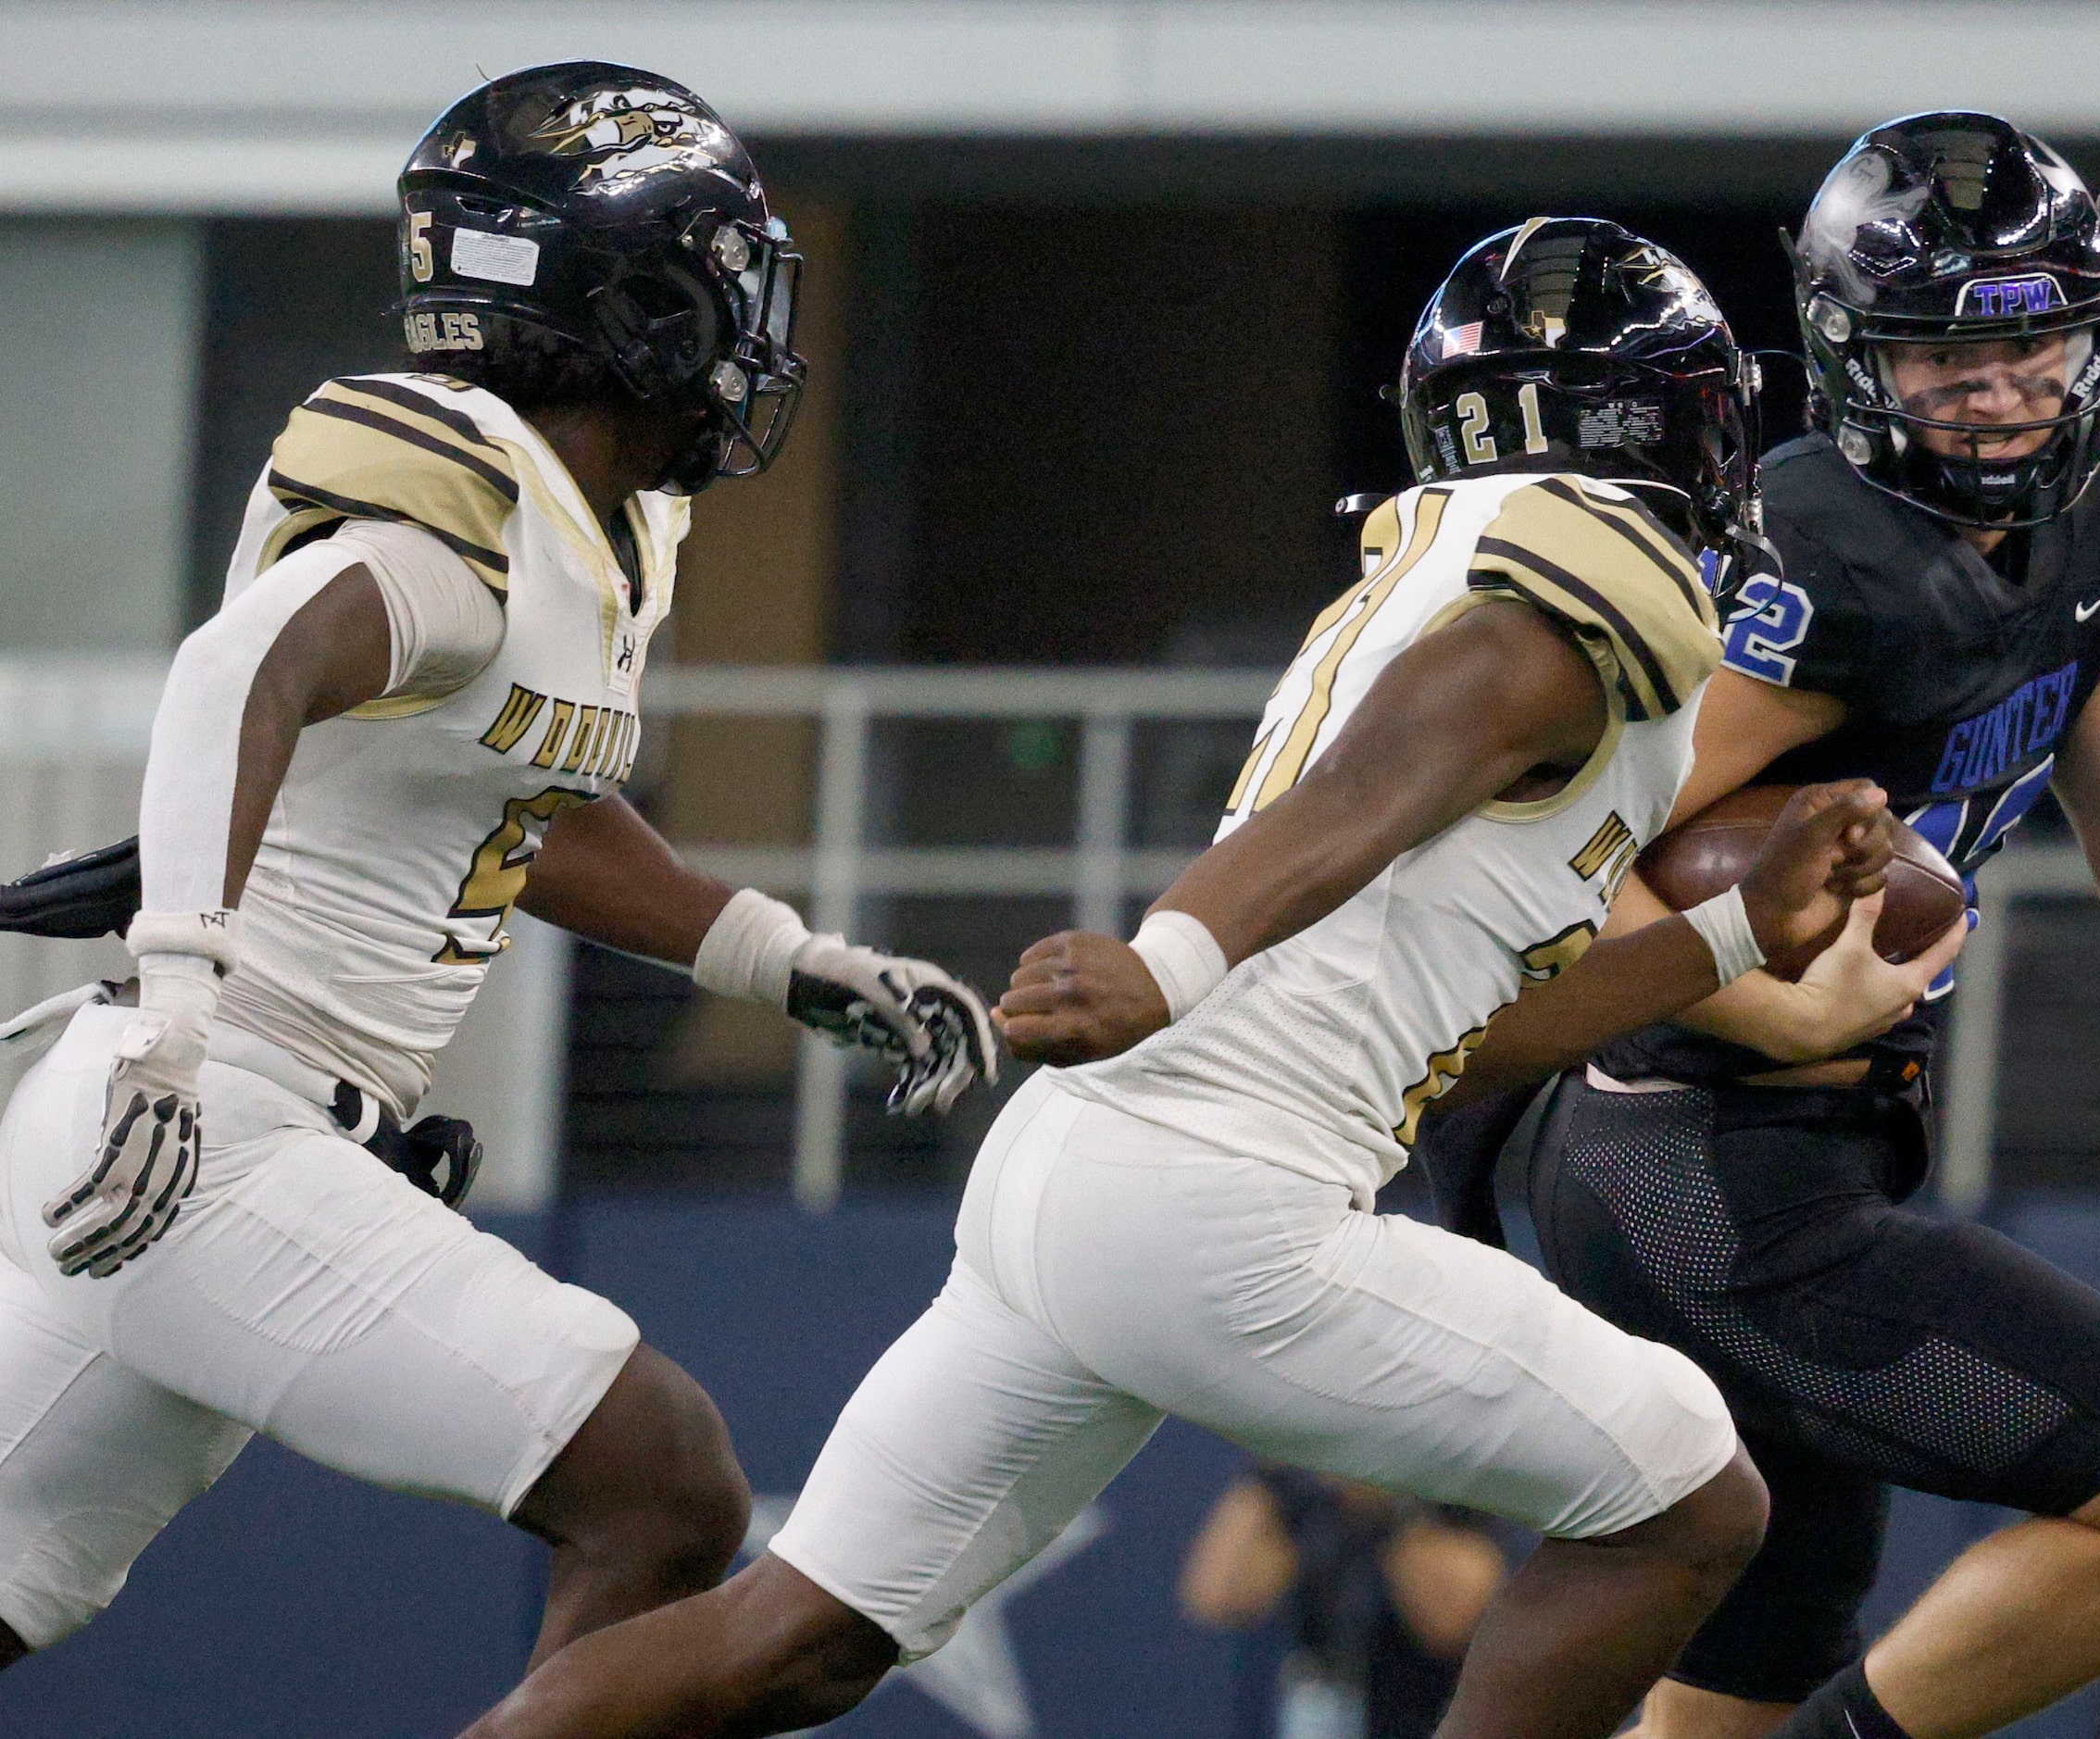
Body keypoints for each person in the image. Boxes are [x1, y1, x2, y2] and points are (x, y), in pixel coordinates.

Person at [450, 217, 1952, 1739]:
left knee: (798, 1637)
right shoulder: (1566, 588)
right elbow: (1392, 764)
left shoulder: (1451, 574)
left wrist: (1727, 937)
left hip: (1080, 1180)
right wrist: (1172, 954)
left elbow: (1471, 1028)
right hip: (1223, 1195)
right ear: (1673, 422)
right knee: (1687, 1490)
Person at [0, 63, 994, 1676]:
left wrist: (775, 956)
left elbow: (520, 805)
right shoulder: (457, 508)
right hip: (203, 1122)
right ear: (633, 303)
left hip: (212, 1130)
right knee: (666, 1482)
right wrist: (180, 1003)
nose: (751, 330)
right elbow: (237, 669)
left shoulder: (603, 530)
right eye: (723, 280)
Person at [1433, 115, 2100, 1739]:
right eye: (1942, 356)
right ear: (1845, 355)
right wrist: (1758, 993)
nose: (2000, 391)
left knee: (1745, 1662)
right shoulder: (1811, 556)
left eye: (2032, 342)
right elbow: (1547, 869)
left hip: (1813, 1154)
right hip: (1690, 1161)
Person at [1181, 1463, 1509, 1739]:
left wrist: (1390, 1506)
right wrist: (1270, 1473)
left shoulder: (1450, 1493)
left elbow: (1453, 1621)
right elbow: (1215, 1596)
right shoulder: (1307, 1495)